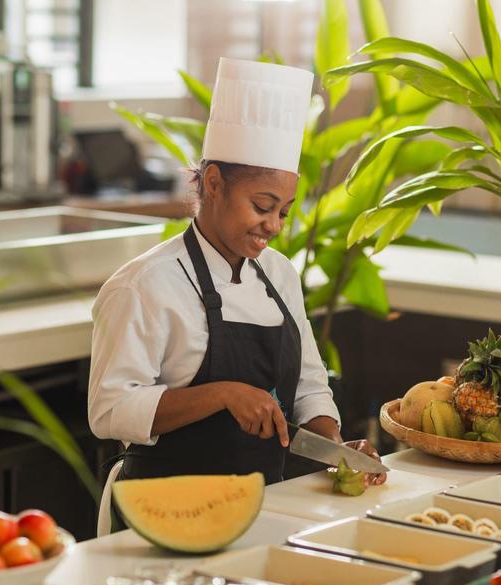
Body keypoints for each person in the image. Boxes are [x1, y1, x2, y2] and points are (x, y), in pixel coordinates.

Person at [88, 58, 386, 532]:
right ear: (213, 184)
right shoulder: (144, 285)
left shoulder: (280, 275)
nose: (273, 225)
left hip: (263, 509)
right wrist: (223, 394)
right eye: (262, 206)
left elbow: (309, 385)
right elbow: (110, 410)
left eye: (284, 212)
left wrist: (336, 448)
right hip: (162, 515)